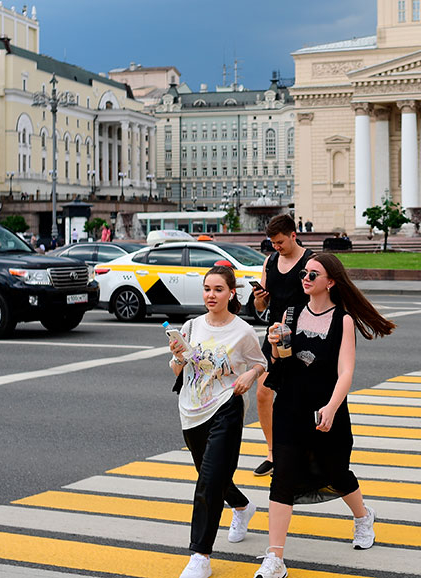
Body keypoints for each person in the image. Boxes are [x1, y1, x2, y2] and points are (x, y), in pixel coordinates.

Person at [256, 254, 395, 578]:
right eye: (305, 273)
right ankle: (275, 558)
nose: (305, 278)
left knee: (335, 471)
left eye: (313, 274)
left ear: (330, 282)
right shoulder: (291, 312)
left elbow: (346, 371)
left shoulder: (342, 319)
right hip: (290, 406)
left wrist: (332, 407)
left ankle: (363, 517)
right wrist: (275, 345)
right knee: (283, 477)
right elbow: (281, 363)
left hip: (325, 407)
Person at [167, 266, 267, 578]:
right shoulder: (192, 326)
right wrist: (178, 355)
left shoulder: (242, 331)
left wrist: (249, 375)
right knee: (212, 476)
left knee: (208, 481)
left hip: (227, 407)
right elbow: (177, 372)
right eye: (207, 289)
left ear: (231, 293)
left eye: (218, 289)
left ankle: (200, 556)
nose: (211, 295)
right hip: (192, 410)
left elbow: (260, 363)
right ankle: (241, 506)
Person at [250, 214, 315, 478]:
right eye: (272, 242)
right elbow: (260, 307)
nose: (276, 246)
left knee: (300, 397)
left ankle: (306, 453)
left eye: (280, 242)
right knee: (263, 393)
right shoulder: (270, 261)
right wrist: (259, 298)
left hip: (304, 335)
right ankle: (272, 452)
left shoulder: (311, 261)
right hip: (275, 335)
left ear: (293, 235)